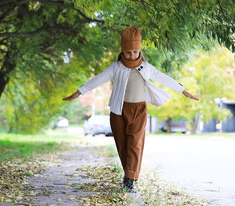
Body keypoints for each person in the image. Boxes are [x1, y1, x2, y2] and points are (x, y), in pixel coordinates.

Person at [63, 26, 199, 194]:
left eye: (135, 51)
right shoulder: (116, 67)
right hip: (118, 111)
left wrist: (182, 90)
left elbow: (163, 78)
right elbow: (98, 79)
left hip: (139, 110)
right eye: (128, 52)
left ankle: (130, 180)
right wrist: (80, 91)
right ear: (122, 52)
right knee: (123, 146)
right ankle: (128, 175)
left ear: (139, 50)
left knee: (135, 144)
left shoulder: (147, 67)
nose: (132, 55)